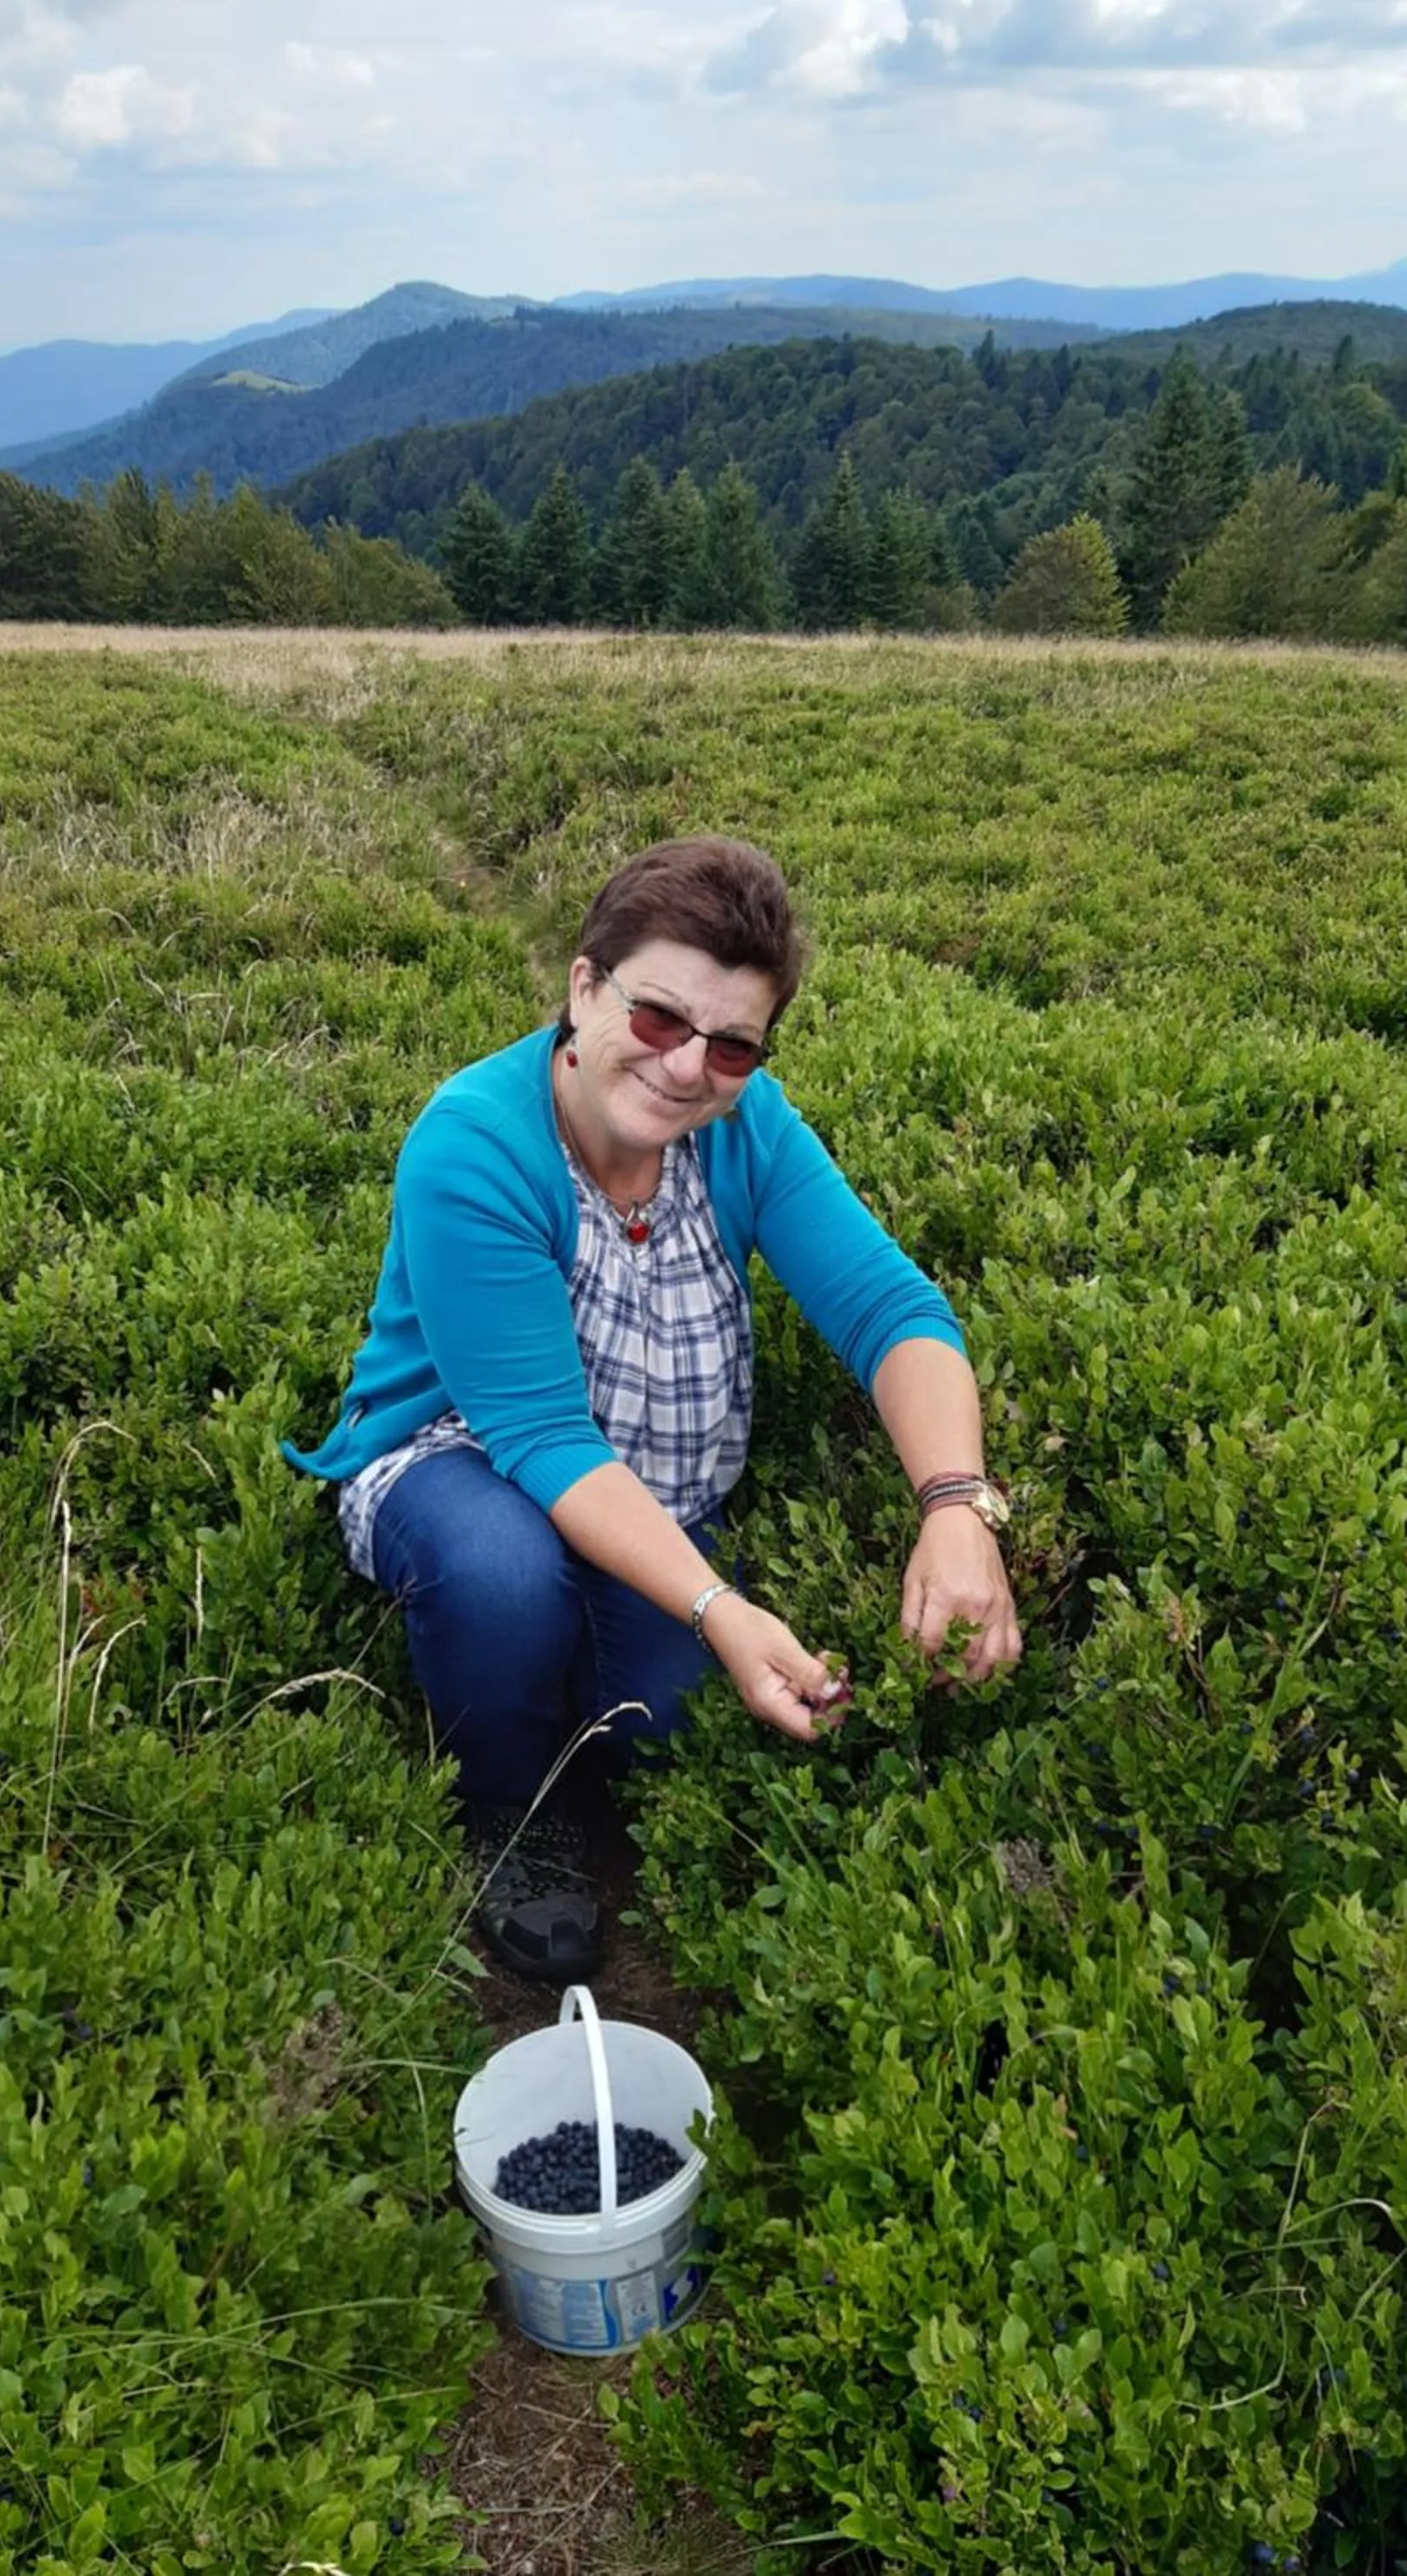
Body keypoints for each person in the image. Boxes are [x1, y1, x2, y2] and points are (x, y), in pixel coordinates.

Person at [286, 837, 1020, 1980]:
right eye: (659, 1017)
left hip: (660, 1495)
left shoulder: (747, 1125)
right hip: (460, 1457)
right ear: (583, 987)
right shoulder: (474, 1143)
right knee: (501, 1574)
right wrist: (721, 1608)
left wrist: (956, 1507)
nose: (687, 1068)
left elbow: (892, 1312)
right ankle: (510, 1814)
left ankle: (546, 1677)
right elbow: (539, 1435)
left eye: (732, 1045)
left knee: (666, 1727)